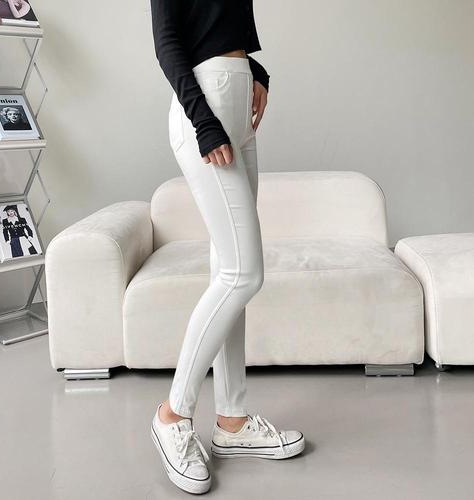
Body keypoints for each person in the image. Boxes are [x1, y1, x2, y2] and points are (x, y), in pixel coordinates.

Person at [150, 1, 305, 494]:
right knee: (244, 273)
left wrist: (254, 71)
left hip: (236, 103)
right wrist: (204, 121)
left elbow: (217, 26)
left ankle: (232, 422)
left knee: (228, 269)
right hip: (207, 106)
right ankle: (173, 414)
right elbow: (168, 40)